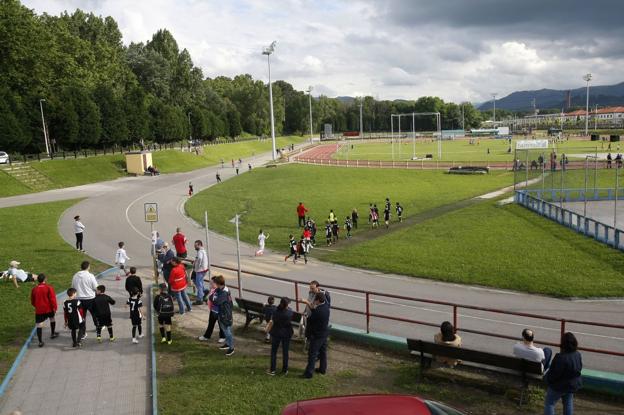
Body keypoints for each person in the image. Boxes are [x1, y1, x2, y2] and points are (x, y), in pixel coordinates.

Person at [544, 332, 583, 415]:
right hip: (572, 384)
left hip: (559, 386)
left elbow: (554, 375)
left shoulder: (560, 357)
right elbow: (579, 368)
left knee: (549, 403)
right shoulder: (577, 354)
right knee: (568, 402)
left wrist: (547, 379)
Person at [302, 292, 330, 378]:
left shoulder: (318, 311)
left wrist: (306, 317)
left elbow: (311, 320)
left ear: (318, 300)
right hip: (324, 333)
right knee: (323, 352)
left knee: (312, 354)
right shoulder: (326, 306)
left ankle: (309, 373)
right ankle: (322, 369)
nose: (314, 301)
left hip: (317, 335)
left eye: (315, 300)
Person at [266, 297, 294, 376]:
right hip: (286, 334)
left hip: (276, 333)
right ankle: (285, 370)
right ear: (286, 305)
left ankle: (272, 370)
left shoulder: (275, 311)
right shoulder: (289, 312)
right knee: (285, 352)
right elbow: (290, 312)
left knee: (274, 352)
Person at [30, 273, 58, 347]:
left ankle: (40, 341)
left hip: (39, 310)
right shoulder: (49, 288)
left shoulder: (34, 289)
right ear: (45, 279)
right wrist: (55, 307)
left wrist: (37, 306)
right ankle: (53, 333)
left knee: (39, 324)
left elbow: (32, 301)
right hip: (49, 308)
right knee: (52, 319)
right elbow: (52, 299)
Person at [71, 261, 98, 334]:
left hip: (79, 299)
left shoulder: (75, 275)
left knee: (82, 316)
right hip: (90, 299)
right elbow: (96, 287)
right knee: (94, 314)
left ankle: (83, 331)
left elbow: (72, 287)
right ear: (88, 267)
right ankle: (98, 327)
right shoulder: (90, 276)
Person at [198, 276, 226, 343]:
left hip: (219, 311)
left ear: (217, 284)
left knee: (221, 324)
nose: (210, 285)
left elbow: (217, 301)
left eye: (212, 283)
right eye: (210, 283)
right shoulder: (213, 290)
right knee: (211, 323)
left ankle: (223, 336)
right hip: (213, 310)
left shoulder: (222, 291)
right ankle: (207, 336)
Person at [212, 275, 235, 356]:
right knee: (225, 329)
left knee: (227, 331)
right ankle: (228, 344)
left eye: (215, 283)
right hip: (223, 313)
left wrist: (213, 298)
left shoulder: (224, 293)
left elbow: (216, 301)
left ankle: (231, 348)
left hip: (225, 314)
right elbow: (213, 294)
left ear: (218, 283)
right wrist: (213, 296)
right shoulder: (222, 289)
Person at [191, 240, 208, 305]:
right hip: (203, 270)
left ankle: (200, 299)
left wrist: (196, 267)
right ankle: (204, 292)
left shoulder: (200, 252)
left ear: (199, 245)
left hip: (200, 270)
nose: (195, 247)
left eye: (196, 245)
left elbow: (199, 259)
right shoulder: (202, 251)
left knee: (199, 284)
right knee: (199, 283)